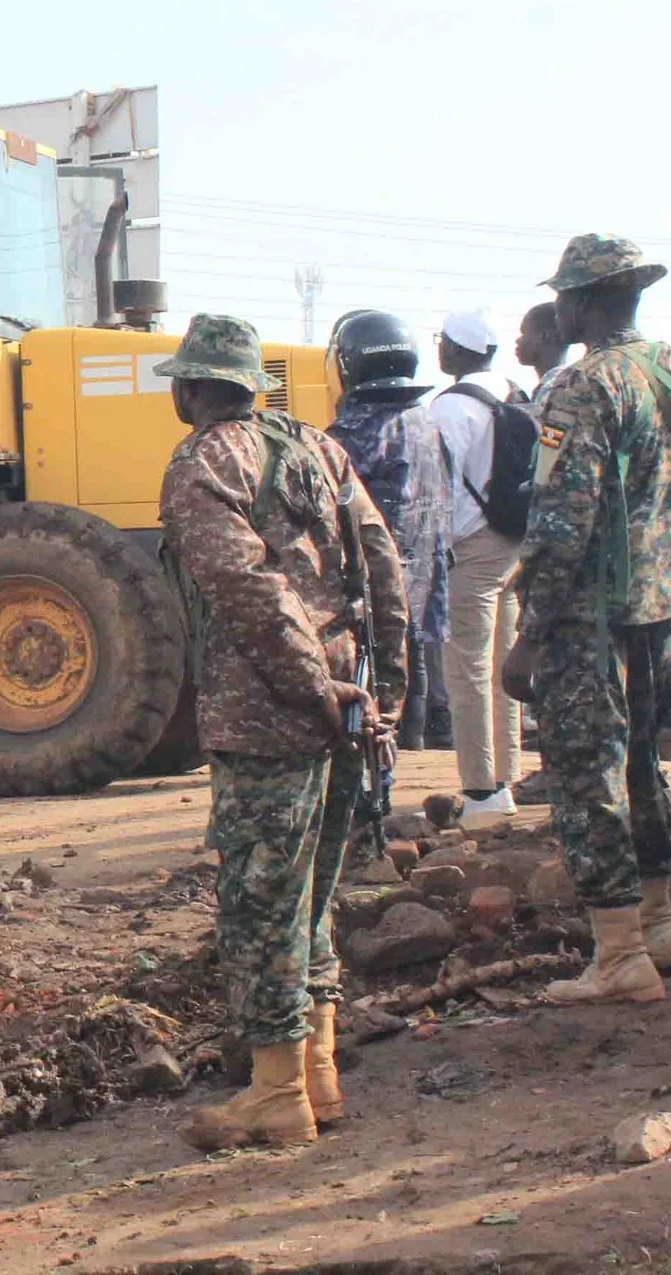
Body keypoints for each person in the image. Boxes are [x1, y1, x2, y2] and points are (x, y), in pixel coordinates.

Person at [158, 315, 407, 1151]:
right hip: (340, 702)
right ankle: (319, 1071)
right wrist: (382, 693)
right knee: (313, 894)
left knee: (263, 901)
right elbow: (384, 563)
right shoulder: (319, 449)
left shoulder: (203, 462)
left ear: (194, 388)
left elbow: (252, 593)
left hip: (272, 713)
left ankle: (274, 1091)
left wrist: (313, 689)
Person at [501, 236, 671, 1004]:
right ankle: (658, 926)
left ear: (584, 301)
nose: (557, 307)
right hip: (657, 603)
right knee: (639, 767)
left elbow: (561, 520)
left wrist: (529, 635)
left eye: (563, 295)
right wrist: (665, 543)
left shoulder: (583, 386)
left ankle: (619, 953)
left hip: (588, 614)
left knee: (587, 772)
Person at [324, 310, 450, 753]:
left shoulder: (346, 436)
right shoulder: (426, 424)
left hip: (373, 594)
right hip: (423, 584)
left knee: (377, 700)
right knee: (411, 680)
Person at [428, 308, 523, 825]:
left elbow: (436, 490)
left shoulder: (450, 410)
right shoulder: (513, 393)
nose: (438, 348)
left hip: (472, 548)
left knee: (465, 668)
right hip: (515, 545)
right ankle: (504, 780)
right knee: (504, 666)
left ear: (460, 349)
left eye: (442, 340)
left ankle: (481, 792)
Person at [518, 301, 572, 407]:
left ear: (544, 336)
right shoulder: (564, 383)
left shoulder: (554, 389)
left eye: (524, 333)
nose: (517, 340)